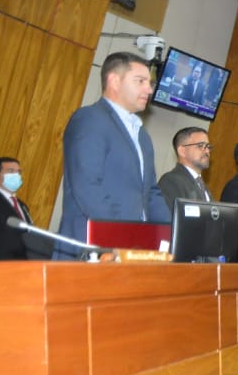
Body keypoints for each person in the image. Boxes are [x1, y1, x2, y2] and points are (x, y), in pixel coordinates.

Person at [57, 52, 170, 256]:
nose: (149, 89)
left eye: (150, 83)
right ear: (114, 81)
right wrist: (122, 236)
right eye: (140, 81)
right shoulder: (90, 119)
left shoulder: (142, 135)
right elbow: (87, 186)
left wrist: (172, 235)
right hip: (94, 249)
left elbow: (151, 192)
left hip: (133, 251)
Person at [0, 156, 50, 260]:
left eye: (19, 172)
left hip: (28, 264)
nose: (16, 175)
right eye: (11, 171)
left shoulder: (22, 205)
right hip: (3, 267)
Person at [157, 126, 213, 209]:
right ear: (182, 151)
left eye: (208, 147)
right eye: (200, 145)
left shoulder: (201, 185)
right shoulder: (171, 181)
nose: (207, 151)